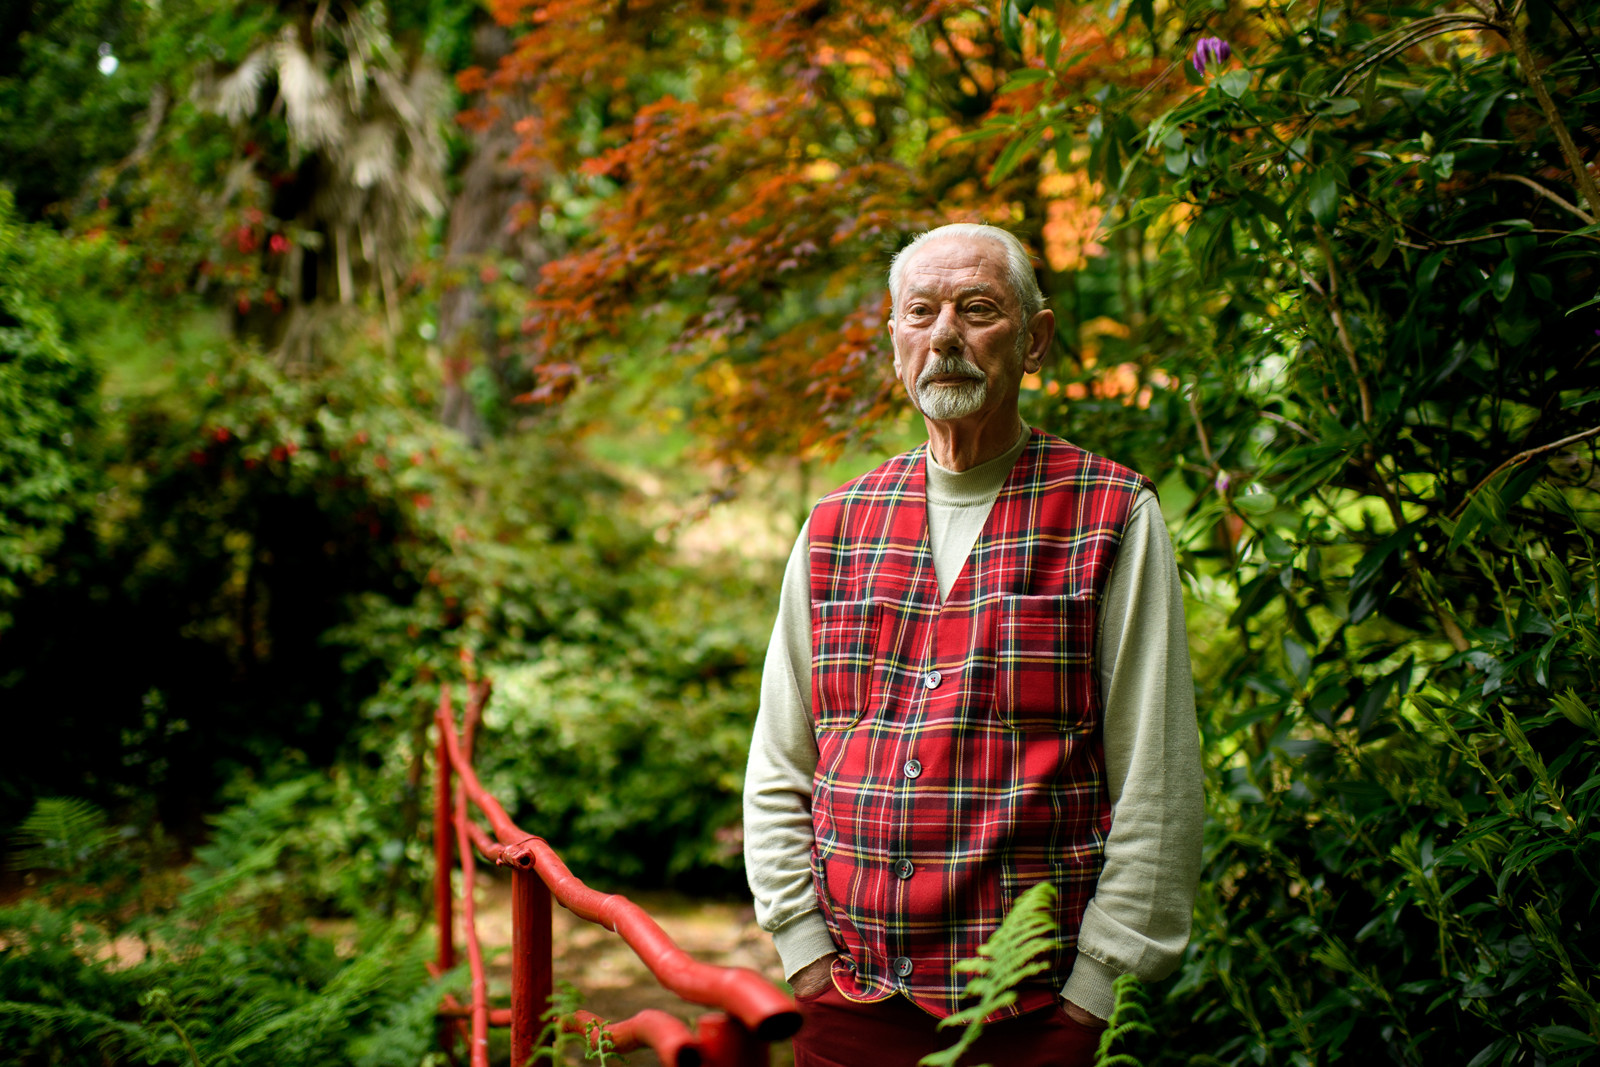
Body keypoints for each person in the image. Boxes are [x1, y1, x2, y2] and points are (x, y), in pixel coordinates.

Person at [742, 222, 1204, 1066]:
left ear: (1035, 339)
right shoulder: (835, 525)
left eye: (977, 308)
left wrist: (1097, 991)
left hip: (1034, 1016)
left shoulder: (1113, 515)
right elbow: (781, 759)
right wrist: (801, 945)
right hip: (848, 1001)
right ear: (895, 343)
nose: (945, 333)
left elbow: (1159, 776)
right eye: (920, 311)